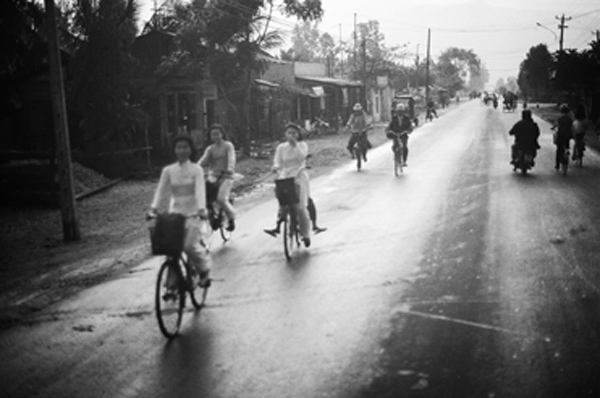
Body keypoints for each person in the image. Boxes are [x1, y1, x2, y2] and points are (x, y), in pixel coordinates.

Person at [149, 135, 211, 287]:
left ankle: (203, 269)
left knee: (188, 246)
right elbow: (160, 191)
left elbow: (200, 191)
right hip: (175, 213)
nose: (182, 150)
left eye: (185, 147)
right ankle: (172, 284)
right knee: (171, 249)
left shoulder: (197, 170)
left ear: (191, 150)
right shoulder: (168, 171)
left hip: (194, 213)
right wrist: (153, 209)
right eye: (179, 147)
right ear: (174, 150)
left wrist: (202, 209)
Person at [264, 123, 312, 247]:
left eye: (294, 133)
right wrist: (275, 167)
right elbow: (277, 161)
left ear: (298, 134)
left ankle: (305, 234)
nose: (291, 135)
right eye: (289, 133)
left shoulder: (302, 145)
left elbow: (302, 158)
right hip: (286, 175)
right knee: (282, 200)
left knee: (300, 207)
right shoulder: (281, 147)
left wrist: (294, 145)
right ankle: (279, 223)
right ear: (285, 134)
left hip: (299, 175)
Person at [198, 124, 236, 231]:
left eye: (217, 134)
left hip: (226, 176)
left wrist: (230, 169)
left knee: (221, 199)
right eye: (213, 135)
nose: (215, 136)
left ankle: (231, 218)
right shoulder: (210, 149)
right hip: (213, 175)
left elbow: (231, 158)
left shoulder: (228, 146)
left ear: (222, 134)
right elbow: (203, 160)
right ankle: (212, 216)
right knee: (204, 198)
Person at [554, 104, 573, 170]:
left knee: (559, 149)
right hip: (567, 135)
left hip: (560, 135)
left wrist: (553, 128)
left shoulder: (559, 118)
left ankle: (557, 165)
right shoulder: (569, 119)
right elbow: (571, 127)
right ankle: (567, 152)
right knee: (567, 146)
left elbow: (556, 125)